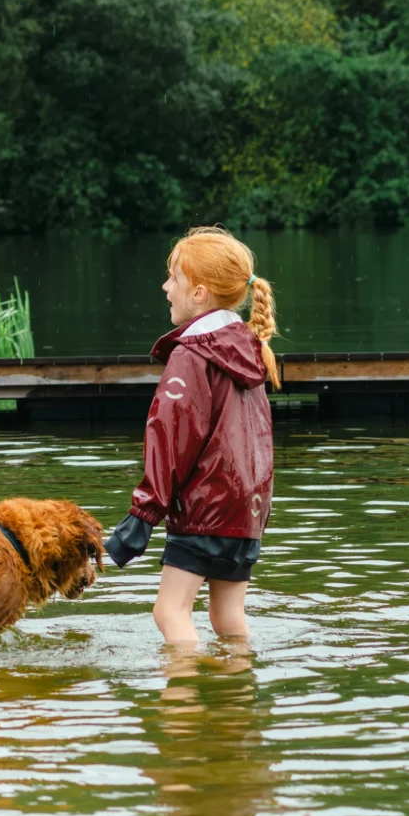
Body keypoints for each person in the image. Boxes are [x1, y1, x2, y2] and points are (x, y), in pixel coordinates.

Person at [104, 226, 278, 647]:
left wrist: (143, 515)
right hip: (247, 512)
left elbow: (171, 438)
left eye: (173, 279)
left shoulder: (191, 353)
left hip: (205, 508)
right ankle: (237, 705)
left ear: (198, 293)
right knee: (227, 616)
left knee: (170, 613)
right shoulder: (250, 348)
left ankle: (184, 711)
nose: (166, 288)